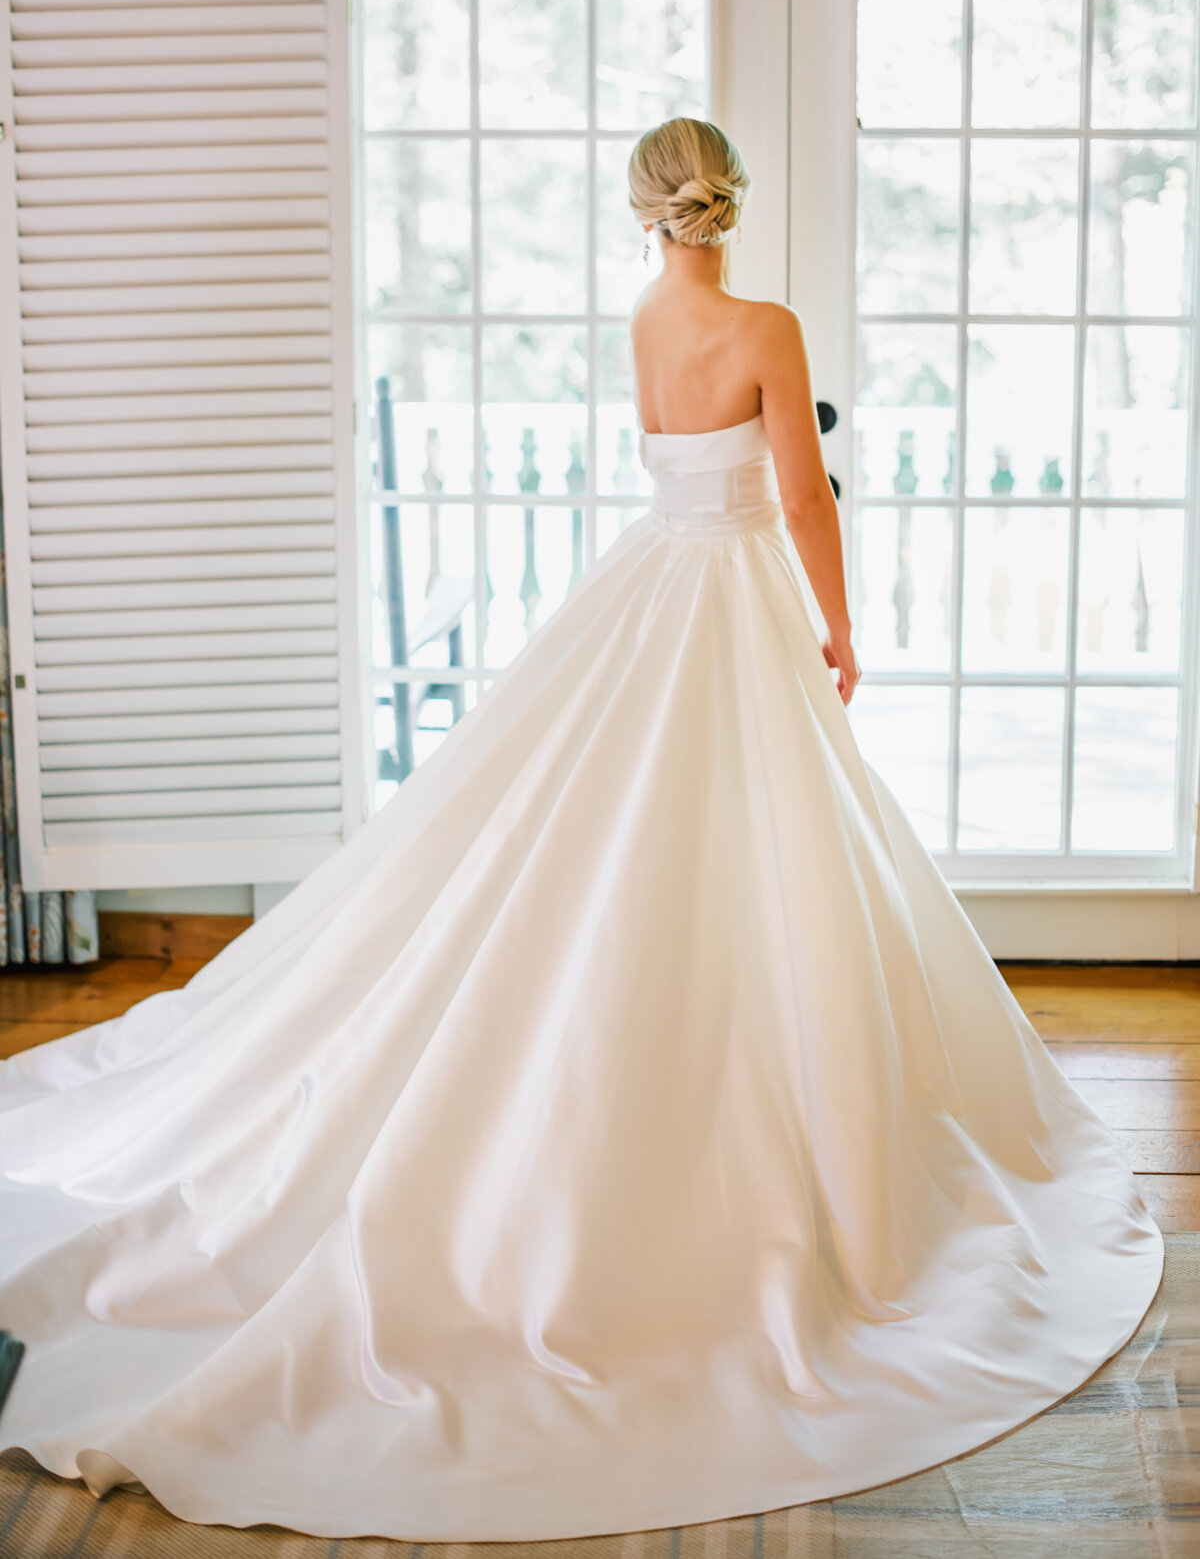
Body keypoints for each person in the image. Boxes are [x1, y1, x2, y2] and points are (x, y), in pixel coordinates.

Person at [0, 117, 1162, 1543]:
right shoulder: (766, 325)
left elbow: (679, 463)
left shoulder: (647, 321)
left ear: (645, 210)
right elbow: (799, 489)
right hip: (733, 594)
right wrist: (843, 625)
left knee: (610, 843)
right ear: (731, 200)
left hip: (655, 582)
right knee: (760, 852)